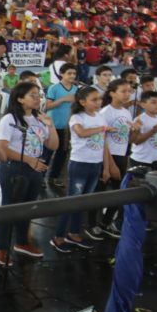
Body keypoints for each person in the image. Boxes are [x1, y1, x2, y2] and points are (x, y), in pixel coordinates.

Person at [0, 82, 59, 265]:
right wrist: (29, 160)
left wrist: (51, 126)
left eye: (39, 95)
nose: (38, 98)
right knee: (8, 208)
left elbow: (53, 146)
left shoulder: (40, 119)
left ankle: (22, 242)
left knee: (29, 206)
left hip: (35, 169)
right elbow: (3, 149)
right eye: (33, 95)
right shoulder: (10, 119)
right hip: (14, 168)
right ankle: (1, 247)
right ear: (20, 98)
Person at [50, 87, 110, 254]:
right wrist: (102, 129)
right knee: (71, 201)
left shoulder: (100, 116)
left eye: (99, 99)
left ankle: (74, 233)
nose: (98, 102)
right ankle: (58, 236)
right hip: (80, 164)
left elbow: (104, 144)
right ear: (82, 102)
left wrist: (106, 167)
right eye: (94, 99)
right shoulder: (77, 117)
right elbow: (81, 133)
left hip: (95, 164)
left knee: (83, 201)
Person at [88, 79, 138, 240]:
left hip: (122, 155)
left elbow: (127, 139)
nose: (127, 94)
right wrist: (109, 166)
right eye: (123, 91)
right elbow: (102, 140)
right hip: (107, 157)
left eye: (129, 91)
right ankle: (91, 224)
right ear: (112, 93)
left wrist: (135, 131)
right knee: (99, 193)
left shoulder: (126, 112)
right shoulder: (105, 113)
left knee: (119, 193)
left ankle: (106, 222)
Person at [45, 63, 79, 188]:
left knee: (62, 153)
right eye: (69, 73)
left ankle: (54, 177)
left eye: (74, 73)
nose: (72, 76)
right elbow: (47, 106)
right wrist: (63, 99)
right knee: (47, 152)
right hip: (53, 125)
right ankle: (42, 176)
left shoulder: (76, 89)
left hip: (67, 127)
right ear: (61, 74)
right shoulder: (54, 88)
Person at [129, 91, 157, 171]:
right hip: (141, 159)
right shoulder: (139, 119)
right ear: (143, 105)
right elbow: (136, 141)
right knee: (141, 183)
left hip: (156, 160)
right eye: (153, 102)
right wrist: (152, 132)